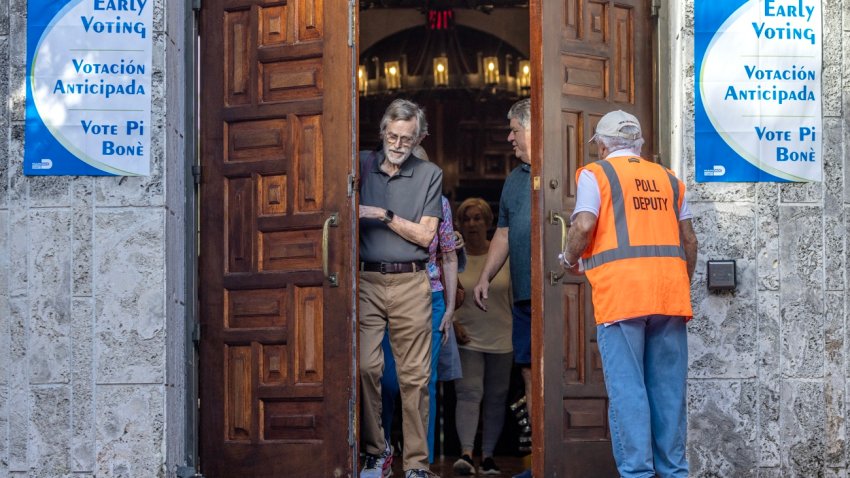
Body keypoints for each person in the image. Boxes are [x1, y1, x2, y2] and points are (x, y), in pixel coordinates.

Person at [560, 110, 698, 478]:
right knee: (668, 393)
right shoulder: (669, 179)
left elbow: (584, 223)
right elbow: (689, 240)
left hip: (622, 296)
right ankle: (674, 472)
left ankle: (637, 473)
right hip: (669, 296)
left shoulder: (596, 173)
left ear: (602, 145)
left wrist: (568, 256)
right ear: (640, 143)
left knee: (629, 391)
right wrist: (682, 282)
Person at [359, 99, 443, 478]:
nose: (397, 144)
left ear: (418, 138)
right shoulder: (360, 164)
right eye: (392, 136)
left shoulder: (429, 174)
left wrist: (381, 214)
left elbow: (426, 236)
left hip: (411, 280)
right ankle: (377, 451)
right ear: (382, 133)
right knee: (363, 366)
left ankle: (416, 464)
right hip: (366, 280)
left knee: (414, 377)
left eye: (405, 139)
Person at [380, 145, 458, 466]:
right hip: (387, 293)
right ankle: (381, 453)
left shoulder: (440, 205)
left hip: (432, 296)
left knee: (424, 380)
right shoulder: (381, 203)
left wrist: (451, 308)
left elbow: (449, 255)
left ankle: (419, 464)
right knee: (383, 377)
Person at [472, 98, 533, 478]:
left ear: (534, 127)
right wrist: (484, 277)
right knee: (528, 375)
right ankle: (540, 462)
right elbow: (504, 233)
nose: (509, 137)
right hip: (524, 297)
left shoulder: (570, 171)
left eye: (514, 129)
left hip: (564, 295)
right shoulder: (514, 180)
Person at [452, 198, 513, 476]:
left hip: (503, 337)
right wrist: (452, 323)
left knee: (496, 398)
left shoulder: (502, 255)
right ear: (459, 224)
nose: (472, 224)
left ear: (489, 223)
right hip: (467, 337)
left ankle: (488, 457)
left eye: (478, 218)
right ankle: (466, 454)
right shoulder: (454, 256)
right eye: (467, 219)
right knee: (468, 394)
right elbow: (443, 291)